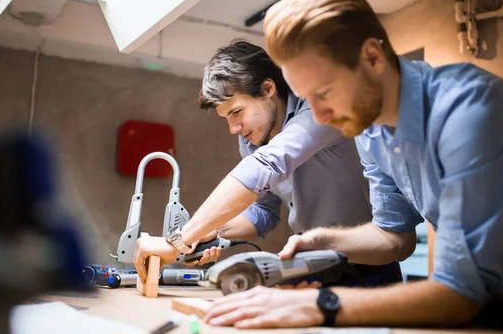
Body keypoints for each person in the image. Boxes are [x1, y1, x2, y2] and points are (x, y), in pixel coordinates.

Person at [202, 0, 503, 329]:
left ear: (372, 57)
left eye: (324, 92)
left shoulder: (470, 113)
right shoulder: (372, 133)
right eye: (307, 97)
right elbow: (394, 238)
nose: (321, 116)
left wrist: (317, 304)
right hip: (487, 308)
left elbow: (460, 292)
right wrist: (326, 240)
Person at [133, 39, 402, 287]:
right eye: (226, 117)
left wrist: (181, 239)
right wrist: (213, 232)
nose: (234, 128)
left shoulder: (321, 112)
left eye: (237, 112)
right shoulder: (252, 139)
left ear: (267, 89)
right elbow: (264, 211)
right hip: (313, 266)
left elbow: (266, 166)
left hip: (370, 266)